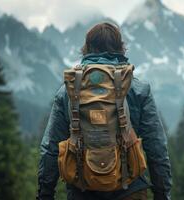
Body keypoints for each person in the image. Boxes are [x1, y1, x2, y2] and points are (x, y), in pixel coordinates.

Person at [37, 22, 172, 200]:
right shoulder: (137, 89)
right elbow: (157, 149)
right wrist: (162, 195)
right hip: (131, 190)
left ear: (86, 49)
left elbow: (50, 149)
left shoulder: (68, 91)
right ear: (120, 49)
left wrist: (45, 194)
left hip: (81, 192)